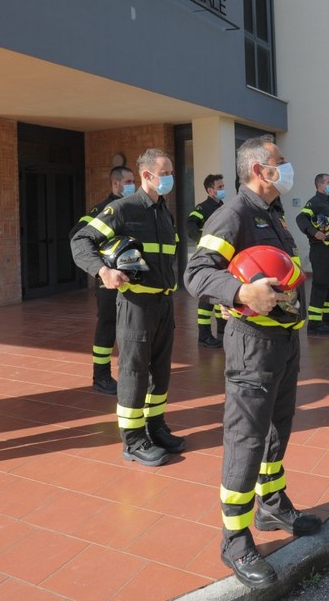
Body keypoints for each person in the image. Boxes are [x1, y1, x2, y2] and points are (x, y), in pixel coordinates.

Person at [184, 135, 321, 588]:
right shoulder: (233, 215)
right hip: (252, 347)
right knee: (246, 438)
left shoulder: (273, 215)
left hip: (283, 341)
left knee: (278, 427)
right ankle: (234, 537)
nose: (288, 167)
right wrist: (241, 292)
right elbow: (197, 273)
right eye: (281, 162)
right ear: (261, 171)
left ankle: (271, 504)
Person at [71, 149, 183, 467]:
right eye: (165, 173)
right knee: (134, 371)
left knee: (160, 371)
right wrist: (103, 271)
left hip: (164, 302)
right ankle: (133, 440)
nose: (170, 179)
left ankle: (155, 427)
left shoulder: (164, 212)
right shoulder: (122, 209)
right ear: (147, 176)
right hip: (137, 304)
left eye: (171, 172)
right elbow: (81, 240)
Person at [75, 165, 135, 394]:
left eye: (133, 181)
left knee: (131, 327)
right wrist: (103, 263)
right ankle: (100, 376)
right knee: (107, 326)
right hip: (108, 280)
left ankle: (129, 371)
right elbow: (78, 236)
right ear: (115, 183)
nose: (133, 185)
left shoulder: (133, 207)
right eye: (128, 181)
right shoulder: (101, 210)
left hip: (132, 280)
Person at [295, 173, 329, 335]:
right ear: (320, 185)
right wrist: (314, 232)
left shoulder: (328, 203)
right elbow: (301, 218)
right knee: (321, 284)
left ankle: (328, 315)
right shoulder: (315, 202)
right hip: (321, 250)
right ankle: (315, 323)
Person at [187, 173, 227, 348]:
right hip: (208, 257)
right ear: (210, 190)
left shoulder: (224, 207)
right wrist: (202, 241)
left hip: (222, 257)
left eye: (223, 187)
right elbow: (189, 224)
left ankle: (222, 331)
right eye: (220, 187)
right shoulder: (203, 208)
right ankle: (204, 336)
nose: (222, 190)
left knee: (220, 295)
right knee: (206, 298)